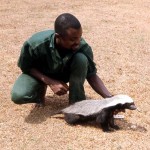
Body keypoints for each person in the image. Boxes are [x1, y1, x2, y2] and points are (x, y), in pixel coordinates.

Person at [11, 13, 113, 107]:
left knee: (81, 59)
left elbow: (92, 75)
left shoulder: (83, 46)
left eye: (79, 37)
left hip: (63, 73)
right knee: (18, 96)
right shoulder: (35, 44)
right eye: (72, 39)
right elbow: (26, 67)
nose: (78, 42)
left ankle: (76, 104)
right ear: (58, 37)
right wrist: (50, 82)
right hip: (40, 74)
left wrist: (110, 99)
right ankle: (39, 91)